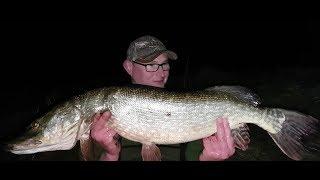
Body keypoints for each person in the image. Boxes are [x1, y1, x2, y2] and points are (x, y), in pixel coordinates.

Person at [89, 35, 236, 161]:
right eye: (151, 65)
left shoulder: (190, 112)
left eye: (164, 64)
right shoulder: (104, 117)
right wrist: (110, 155)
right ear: (129, 67)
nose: (161, 73)